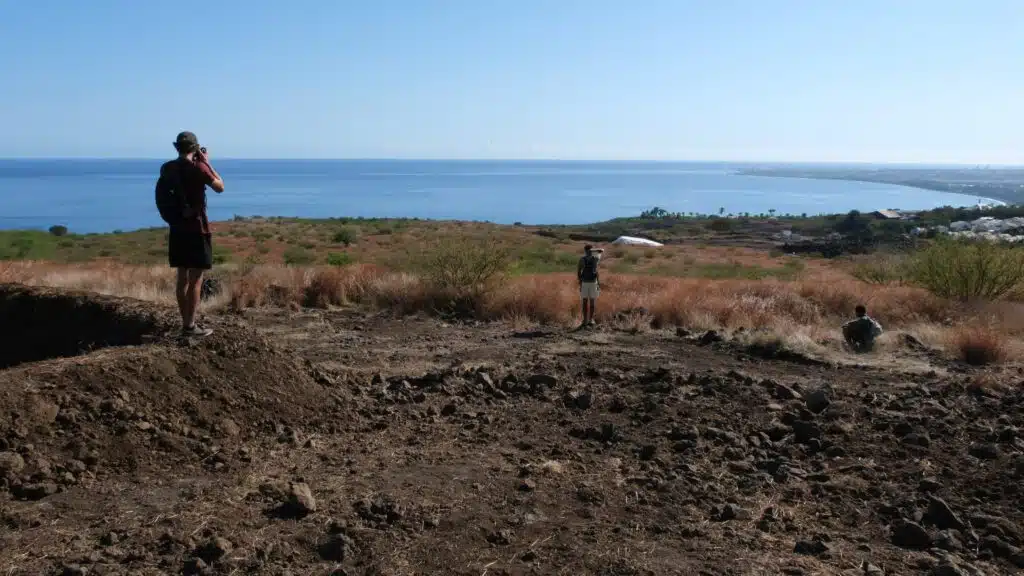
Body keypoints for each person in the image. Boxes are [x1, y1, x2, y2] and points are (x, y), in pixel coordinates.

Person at [156, 131, 225, 337]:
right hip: (197, 229)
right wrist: (208, 163)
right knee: (196, 279)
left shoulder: (167, 168)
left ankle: (185, 323)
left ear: (177, 148)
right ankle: (190, 326)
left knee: (182, 278)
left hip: (177, 228)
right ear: (195, 148)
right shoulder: (199, 167)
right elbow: (219, 187)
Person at [577, 244, 604, 328]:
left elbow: (602, 250)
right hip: (589, 282)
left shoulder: (594, 258)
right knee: (588, 302)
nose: (589, 252)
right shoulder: (595, 259)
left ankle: (588, 320)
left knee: (589, 302)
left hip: (590, 282)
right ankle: (587, 320)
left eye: (590, 251)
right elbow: (579, 271)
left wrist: (580, 282)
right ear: (585, 251)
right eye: (588, 250)